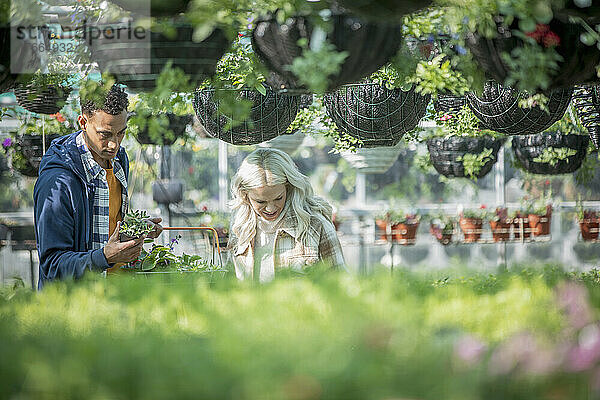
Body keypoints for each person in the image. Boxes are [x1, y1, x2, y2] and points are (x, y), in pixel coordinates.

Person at [34, 83, 162, 289]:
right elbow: (53, 266)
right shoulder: (57, 182)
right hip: (78, 308)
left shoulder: (119, 160)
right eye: (105, 134)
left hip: (119, 296)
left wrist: (135, 229)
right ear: (83, 122)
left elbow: (107, 222)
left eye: (121, 133)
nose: (115, 144)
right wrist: (103, 257)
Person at [228, 148, 345, 282]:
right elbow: (229, 283)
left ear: (288, 188)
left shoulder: (315, 224)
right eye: (260, 201)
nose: (270, 208)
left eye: (278, 198)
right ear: (245, 195)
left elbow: (340, 281)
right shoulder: (240, 226)